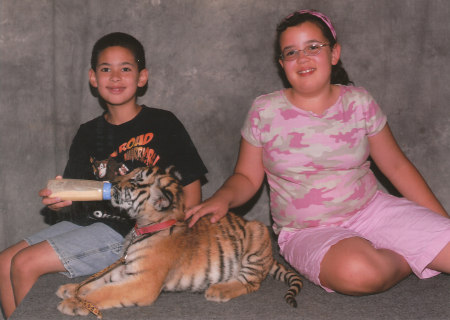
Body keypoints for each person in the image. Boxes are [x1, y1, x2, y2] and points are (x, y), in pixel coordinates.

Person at [186, 10, 450, 295]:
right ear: (282, 64)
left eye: (313, 47)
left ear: (334, 53)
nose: (302, 58)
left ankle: (410, 243)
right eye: (291, 52)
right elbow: (247, 178)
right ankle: (407, 256)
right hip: (308, 231)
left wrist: (440, 225)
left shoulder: (359, 102)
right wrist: (223, 198)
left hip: (373, 211)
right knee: (359, 273)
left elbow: (397, 167)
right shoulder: (265, 111)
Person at [0, 32, 207, 318]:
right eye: (105, 69)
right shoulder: (87, 133)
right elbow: (79, 197)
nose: (115, 77)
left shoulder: (164, 123)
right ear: (93, 78)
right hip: (91, 223)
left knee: (25, 263)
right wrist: (63, 200)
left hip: (136, 232)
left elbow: (192, 195)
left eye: (126, 68)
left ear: (142, 77)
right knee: (4, 262)